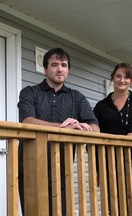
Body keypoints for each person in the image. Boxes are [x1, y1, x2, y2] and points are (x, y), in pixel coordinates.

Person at [17, 47, 99, 215]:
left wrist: (80, 127)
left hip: (63, 167)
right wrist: (64, 127)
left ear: (68, 69)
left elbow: (95, 129)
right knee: (33, 211)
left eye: (64, 65)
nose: (60, 69)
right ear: (45, 69)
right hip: (30, 165)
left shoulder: (77, 97)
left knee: (61, 211)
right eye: (54, 64)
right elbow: (28, 120)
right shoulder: (29, 92)